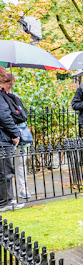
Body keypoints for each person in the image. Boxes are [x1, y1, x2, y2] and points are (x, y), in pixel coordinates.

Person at [1, 73, 31, 199]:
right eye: (8, 83)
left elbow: (22, 115)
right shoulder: (2, 98)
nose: (10, 86)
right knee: (5, 168)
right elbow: (5, 116)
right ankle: (7, 196)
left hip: (17, 134)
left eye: (11, 83)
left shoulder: (13, 97)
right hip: (8, 136)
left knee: (20, 163)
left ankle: (22, 188)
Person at [0, 67, 22, 211]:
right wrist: (15, 134)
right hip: (2, 139)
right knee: (5, 172)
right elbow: (4, 116)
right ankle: (5, 202)